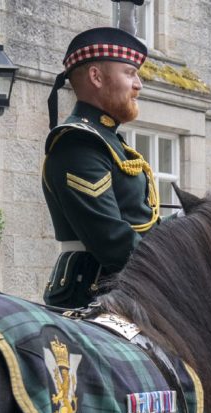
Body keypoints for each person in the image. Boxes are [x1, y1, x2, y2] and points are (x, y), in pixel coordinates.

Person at [42, 27, 158, 308]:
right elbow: (112, 240)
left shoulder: (110, 141)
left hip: (129, 288)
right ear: (96, 76)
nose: (138, 85)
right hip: (94, 293)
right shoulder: (78, 142)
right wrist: (175, 274)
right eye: (130, 73)